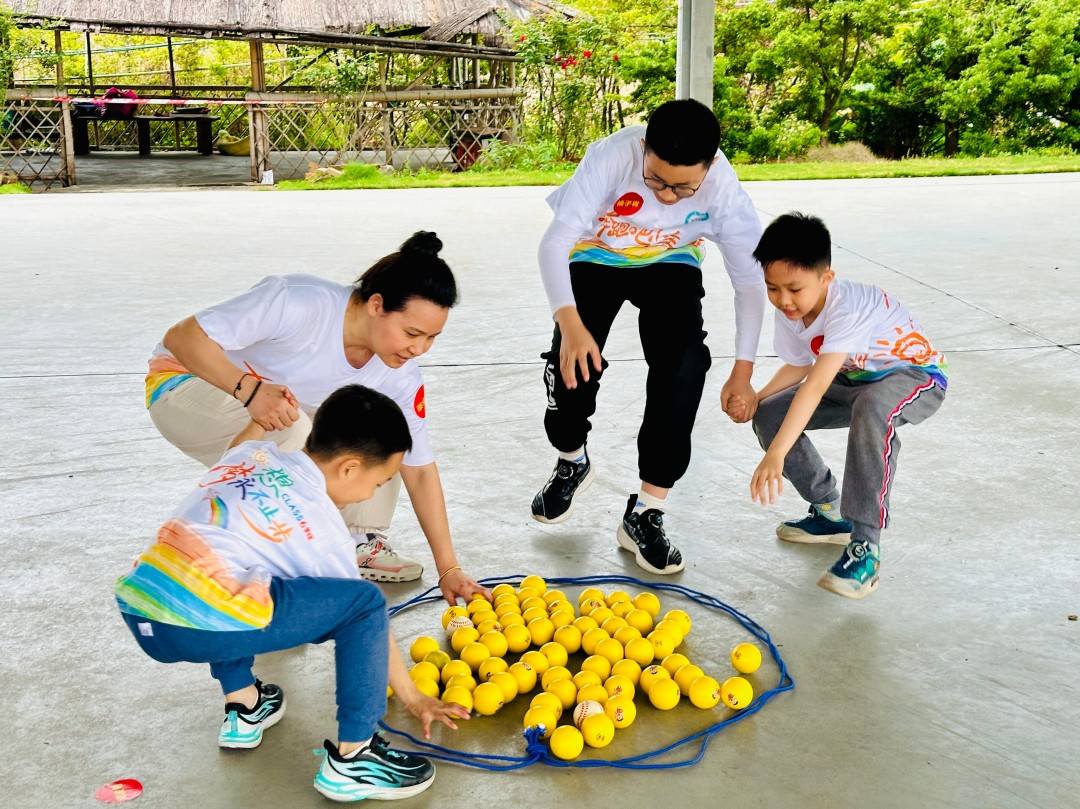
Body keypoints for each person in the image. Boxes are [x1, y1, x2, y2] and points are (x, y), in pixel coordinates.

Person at [115, 385, 471, 801]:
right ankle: (356, 757)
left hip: (142, 607)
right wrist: (413, 697)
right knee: (364, 602)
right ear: (350, 468)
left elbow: (237, 448)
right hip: (201, 622)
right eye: (378, 483)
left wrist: (257, 420)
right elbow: (365, 616)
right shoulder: (323, 530)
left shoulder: (253, 456)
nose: (371, 494)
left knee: (234, 570)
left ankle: (245, 705)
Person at [144, 231, 483, 602]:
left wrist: (449, 569)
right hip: (183, 382)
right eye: (412, 332)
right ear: (376, 305)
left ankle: (357, 539)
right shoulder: (300, 302)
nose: (419, 349)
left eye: (431, 338)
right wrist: (249, 390)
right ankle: (274, 553)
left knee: (382, 430)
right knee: (292, 428)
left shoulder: (400, 372)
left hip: (272, 404)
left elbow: (419, 470)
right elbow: (181, 337)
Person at [530, 98, 766, 574]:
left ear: (710, 166)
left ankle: (646, 510)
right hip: (596, 251)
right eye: (656, 180)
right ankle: (572, 460)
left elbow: (750, 282)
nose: (668, 197)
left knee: (684, 366)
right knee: (572, 362)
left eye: (684, 188)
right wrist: (570, 324)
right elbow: (554, 243)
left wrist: (743, 370)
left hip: (669, 260)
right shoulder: (612, 157)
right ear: (643, 149)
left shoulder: (724, 191)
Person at [744, 212, 948, 599]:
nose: (783, 300)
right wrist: (757, 398)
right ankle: (830, 512)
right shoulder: (792, 311)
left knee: (872, 409)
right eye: (773, 288)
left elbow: (815, 385)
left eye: (794, 289)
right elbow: (800, 365)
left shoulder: (847, 307)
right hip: (853, 379)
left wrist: (776, 454)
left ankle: (866, 547)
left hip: (914, 377)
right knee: (770, 413)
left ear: (826, 278)